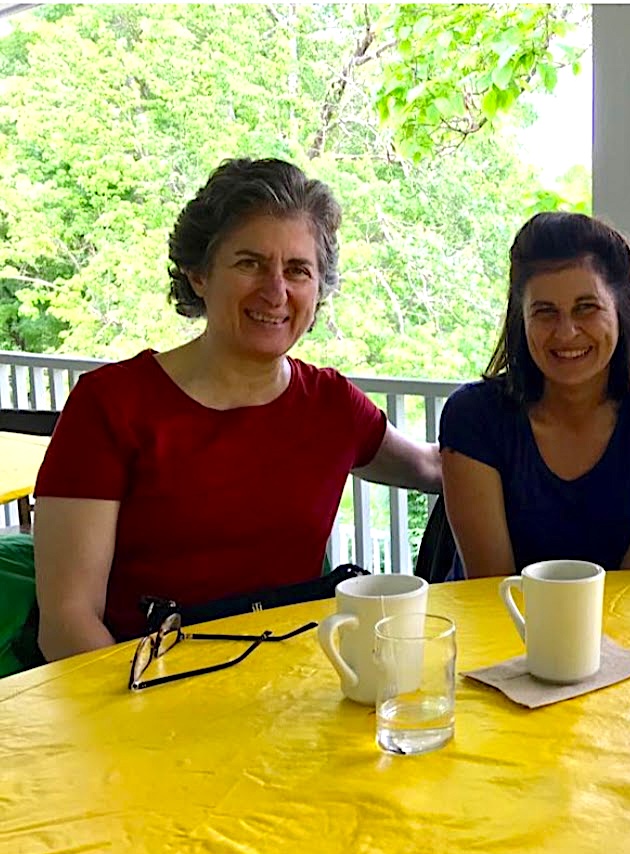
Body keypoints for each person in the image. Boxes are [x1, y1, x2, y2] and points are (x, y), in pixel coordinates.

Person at [34, 158, 441, 660]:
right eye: (249, 263)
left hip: (291, 693)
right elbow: (66, 623)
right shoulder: (110, 406)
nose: (276, 291)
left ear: (318, 289)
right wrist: (151, 719)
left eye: (298, 270)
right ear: (199, 274)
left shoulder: (331, 405)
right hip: (144, 700)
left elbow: (435, 467)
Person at [439, 212, 630, 578]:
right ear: (521, 319)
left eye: (586, 308)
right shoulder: (472, 417)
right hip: (498, 625)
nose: (566, 332)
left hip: (627, 630)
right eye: (545, 312)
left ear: (622, 311)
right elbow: (492, 590)